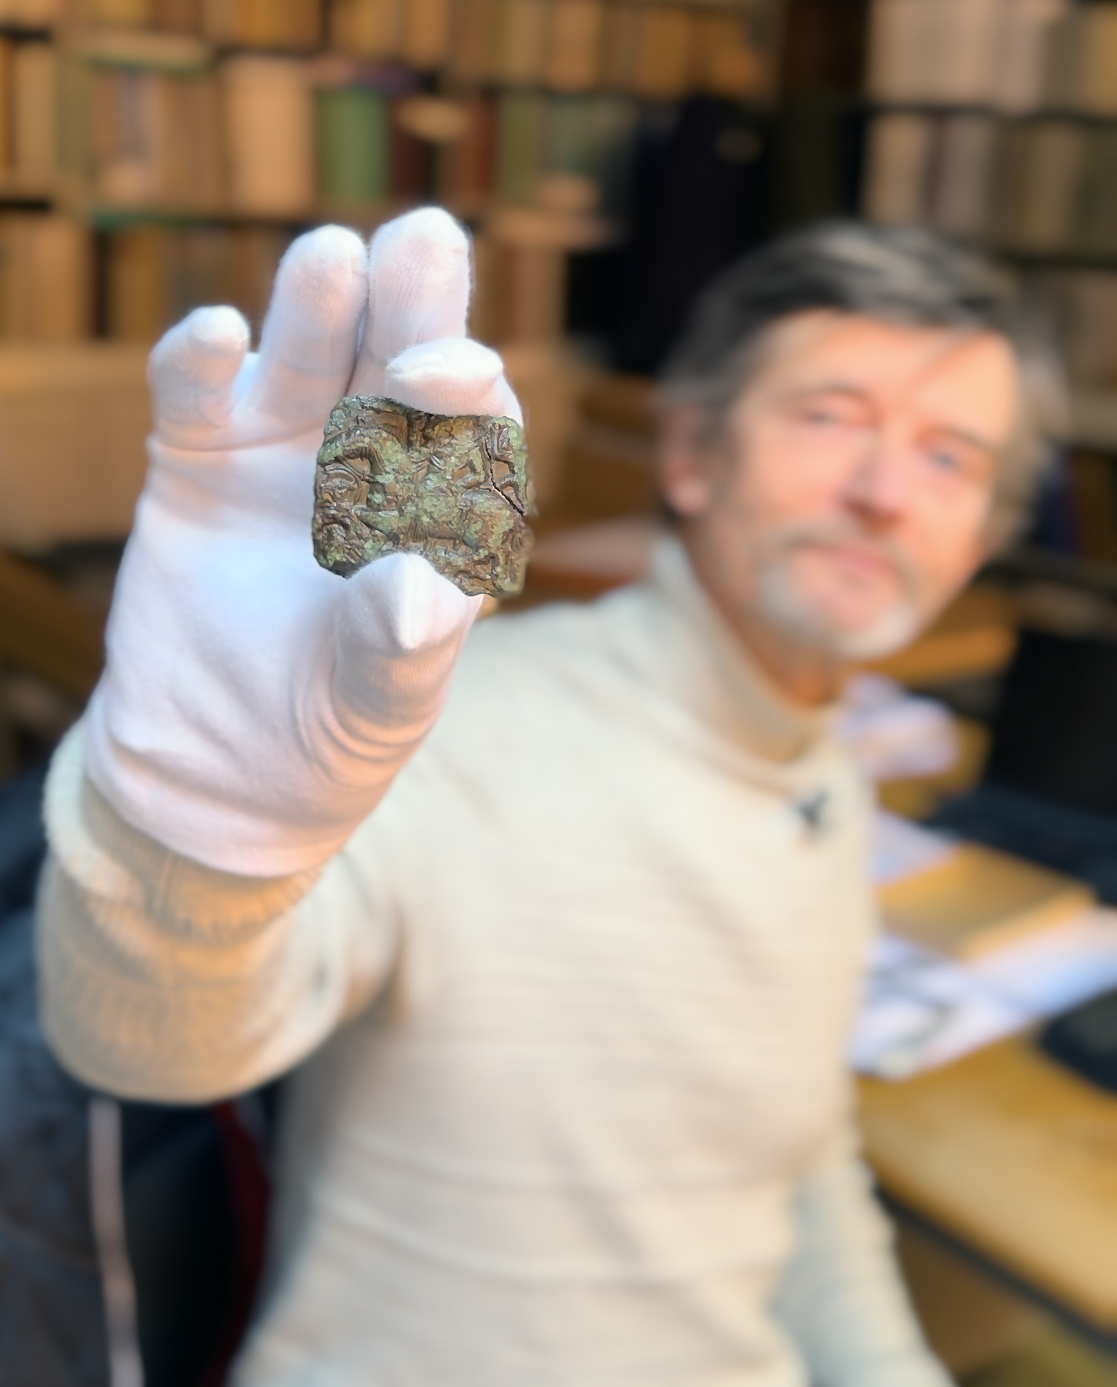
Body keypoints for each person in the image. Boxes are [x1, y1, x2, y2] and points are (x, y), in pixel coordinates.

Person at [36, 210, 1059, 1386]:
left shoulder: (821, 774)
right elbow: (149, 1047)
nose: (884, 490)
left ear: (980, 536)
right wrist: (194, 834)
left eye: (948, 456)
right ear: (690, 453)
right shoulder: (438, 727)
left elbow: (793, 1157)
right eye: (829, 417)